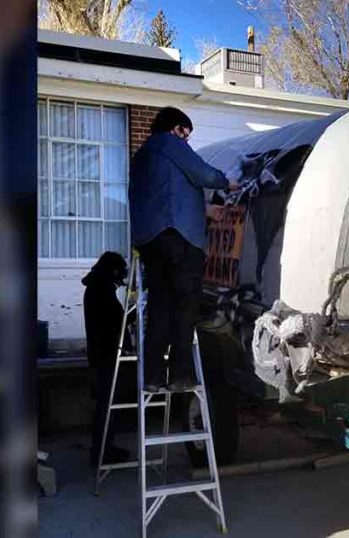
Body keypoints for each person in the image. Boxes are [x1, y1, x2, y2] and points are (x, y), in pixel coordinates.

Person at [129, 106, 237, 393]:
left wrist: (202, 210)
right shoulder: (168, 143)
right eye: (183, 133)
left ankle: (152, 376)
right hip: (180, 241)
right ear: (172, 128)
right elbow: (202, 173)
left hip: (151, 242)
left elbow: (163, 199)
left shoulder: (142, 156)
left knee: (160, 306)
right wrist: (227, 182)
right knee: (185, 305)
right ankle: (180, 374)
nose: (185, 140)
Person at [82, 251, 130, 465]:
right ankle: (102, 451)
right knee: (106, 404)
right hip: (106, 356)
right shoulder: (101, 290)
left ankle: (103, 448)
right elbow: (116, 319)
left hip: (101, 354)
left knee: (105, 404)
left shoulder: (97, 286)